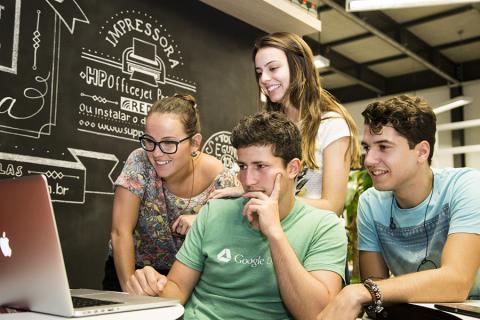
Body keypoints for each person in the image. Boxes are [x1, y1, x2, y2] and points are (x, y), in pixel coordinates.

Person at [126, 112, 348, 319]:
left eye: (261, 166)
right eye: (242, 166)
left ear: (293, 168)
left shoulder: (324, 226)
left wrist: (275, 234)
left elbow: (315, 314)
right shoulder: (213, 212)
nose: (248, 180)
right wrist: (152, 285)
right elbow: (177, 290)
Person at [317, 95, 480, 320]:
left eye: (383, 147)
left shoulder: (465, 185)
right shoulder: (371, 202)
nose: (368, 160)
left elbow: (457, 281)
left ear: (422, 152)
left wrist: (359, 292)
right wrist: (366, 293)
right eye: (367, 147)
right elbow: (376, 291)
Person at [210, 32, 360, 216]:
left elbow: (333, 207)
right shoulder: (266, 126)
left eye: (272, 68)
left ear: (299, 67)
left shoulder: (332, 126)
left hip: (312, 235)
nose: (263, 79)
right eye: (259, 73)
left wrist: (263, 197)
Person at [102, 94, 238, 292]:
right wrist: (130, 290)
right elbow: (120, 231)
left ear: (195, 142)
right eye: (150, 141)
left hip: (190, 278)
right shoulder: (139, 162)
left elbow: (233, 236)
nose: (156, 153)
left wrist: (204, 222)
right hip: (133, 271)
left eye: (168, 143)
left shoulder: (219, 178)